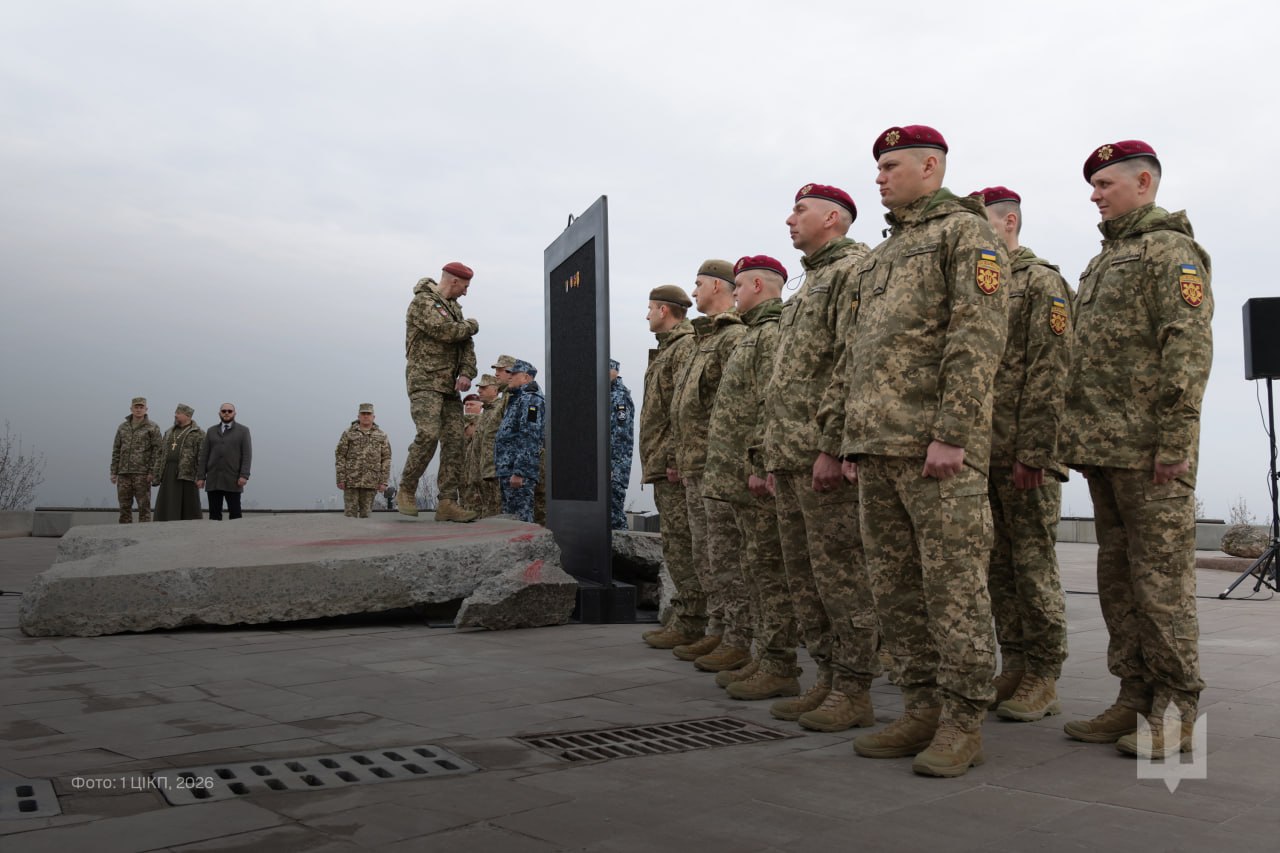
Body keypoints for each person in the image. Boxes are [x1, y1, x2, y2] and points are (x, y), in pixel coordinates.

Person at [841, 126, 1008, 777]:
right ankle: (918, 706)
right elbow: (860, 355)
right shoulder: (883, 255)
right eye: (877, 166)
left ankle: (963, 719)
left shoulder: (965, 234)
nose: (879, 176)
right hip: (877, 449)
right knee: (896, 589)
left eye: (890, 165)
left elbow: (977, 333)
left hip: (934, 449)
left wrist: (954, 431)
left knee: (954, 586)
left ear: (930, 167)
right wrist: (848, 439)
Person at [1061, 140, 1213, 759]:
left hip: (1152, 454)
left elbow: (1187, 347)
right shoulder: (1103, 262)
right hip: (1107, 449)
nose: (1095, 196)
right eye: (1093, 186)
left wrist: (1174, 443)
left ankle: (1176, 711)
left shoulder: (1170, 251)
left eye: (1104, 184)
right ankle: (1134, 697)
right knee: (1118, 582)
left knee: (1162, 587)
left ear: (1143, 182)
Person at [757, 184, 880, 732]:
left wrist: (835, 445)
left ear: (833, 218)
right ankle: (827, 678)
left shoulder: (853, 272)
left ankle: (854, 687)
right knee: (806, 579)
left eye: (800, 210)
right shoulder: (813, 281)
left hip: (819, 456)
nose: (789, 219)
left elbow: (853, 364)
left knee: (842, 577)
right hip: (791, 456)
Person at [969, 186, 1072, 722]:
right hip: (980, 452)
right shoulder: (975, 284)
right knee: (995, 567)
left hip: (1022, 454)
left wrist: (1036, 450)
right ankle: (1014, 661)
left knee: (1032, 567)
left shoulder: (1040, 283)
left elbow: (1051, 372)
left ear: (1008, 223)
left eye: (980, 221)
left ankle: (1044, 673)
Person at [701, 255, 800, 703]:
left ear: (758, 285)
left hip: (754, 474)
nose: (733, 293)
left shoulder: (771, 332)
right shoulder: (753, 334)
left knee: (768, 569)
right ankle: (765, 654)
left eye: (739, 286)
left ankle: (778, 660)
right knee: (753, 567)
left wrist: (761, 465)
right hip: (736, 474)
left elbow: (769, 402)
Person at [670, 260, 748, 671]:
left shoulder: (733, 338)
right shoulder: (703, 340)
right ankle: (718, 628)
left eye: (698, 284)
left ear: (719, 286)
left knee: (726, 554)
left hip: (719, 463)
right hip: (695, 463)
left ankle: (737, 634)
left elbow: (732, 405)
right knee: (706, 553)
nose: (694, 290)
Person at [638, 285, 705, 649]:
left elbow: (686, 409)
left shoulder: (683, 348)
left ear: (664, 310)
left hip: (673, 464)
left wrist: (676, 457)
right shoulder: (669, 349)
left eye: (650, 308)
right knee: (677, 546)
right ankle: (687, 615)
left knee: (684, 546)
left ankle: (694, 620)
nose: (646, 315)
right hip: (663, 462)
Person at [399, 261, 479, 522]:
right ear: (454, 281)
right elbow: (443, 331)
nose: (466, 292)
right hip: (425, 381)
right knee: (428, 433)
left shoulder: (455, 309)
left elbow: (467, 347)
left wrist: (467, 372)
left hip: (449, 386)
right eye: (465, 286)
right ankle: (407, 489)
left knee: (455, 442)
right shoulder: (423, 303)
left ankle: (446, 502)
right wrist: (472, 324)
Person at [495, 359, 545, 522]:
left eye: (513, 373)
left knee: (521, 520)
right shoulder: (517, 398)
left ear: (525, 377)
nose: (509, 377)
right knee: (510, 519)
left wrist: (520, 472)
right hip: (508, 469)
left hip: (517, 472)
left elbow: (530, 435)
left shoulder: (531, 399)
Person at [110, 396, 162, 523]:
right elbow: (117, 449)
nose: (138, 410)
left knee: (144, 508)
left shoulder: (152, 427)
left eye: (141, 407)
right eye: (136, 407)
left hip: (142, 474)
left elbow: (158, 451)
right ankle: (124, 536)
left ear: (146, 409)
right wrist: (114, 471)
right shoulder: (123, 427)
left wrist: (152, 472)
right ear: (131, 409)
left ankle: (144, 538)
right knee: (124, 508)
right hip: (124, 473)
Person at [335, 403, 392, 518]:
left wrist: (383, 481)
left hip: (370, 483)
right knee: (350, 516)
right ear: (358, 416)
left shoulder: (382, 435)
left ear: (373, 417)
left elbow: (386, 458)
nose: (366, 416)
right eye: (363, 414)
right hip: (351, 481)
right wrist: (341, 478)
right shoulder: (348, 433)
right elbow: (340, 455)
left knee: (366, 516)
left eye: (368, 414)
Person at [197, 403, 253, 521]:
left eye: (229, 411)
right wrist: (201, 477)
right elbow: (204, 455)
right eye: (223, 411)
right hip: (214, 479)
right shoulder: (211, 431)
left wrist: (244, 475)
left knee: (235, 514)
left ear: (234, 413)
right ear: (219, 413)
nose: (226, 413)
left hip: (233, 479)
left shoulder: (243, 431)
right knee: (214, 515)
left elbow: (247, 455)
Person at [154, 404, 205, 521]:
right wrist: (157, 473)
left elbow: (202, 456)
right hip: (168, 472)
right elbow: (160, 453)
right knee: (168, 499)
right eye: (175, 413)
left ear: (187, 415)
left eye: (178, 413)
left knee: (188, 504)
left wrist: (200, 476)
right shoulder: (169, 432)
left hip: (187, 473)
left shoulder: (199, 433)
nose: (175, 415)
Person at [609, 358, 635, 530]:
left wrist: (611, 467)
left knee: (614, 515)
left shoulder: (619, 397)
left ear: (614, 372)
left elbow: (620, 435)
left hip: (614, 466)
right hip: (605, 466)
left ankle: (622, 556)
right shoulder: (605, 394)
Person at [474, 374, 504, 517]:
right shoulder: (484, 412)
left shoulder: (500, 408)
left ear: (495, 390)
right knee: (487, 510)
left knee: (496, 510)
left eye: (483, 388)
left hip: (494, 471)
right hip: (481, 472)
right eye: (479, 388)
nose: (479, 390)